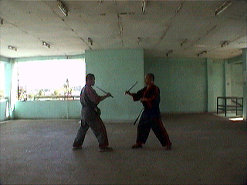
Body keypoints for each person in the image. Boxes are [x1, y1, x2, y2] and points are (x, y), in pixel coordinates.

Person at [125, 73, 172, 150]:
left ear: (151, 79)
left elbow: (155, 98)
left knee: (158, 128)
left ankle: (167, 143)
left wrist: (146, 99)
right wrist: (129, 93)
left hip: (154, 111)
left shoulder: (155, 88)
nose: (145, 80)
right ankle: (139, 143)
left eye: (146, 78)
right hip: (146, 111)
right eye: (145, 78)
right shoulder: (145, 89)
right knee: (141, 127)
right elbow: (138, 95)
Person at [73, 73, 113, 152]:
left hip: (84, 112)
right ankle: (103, 146)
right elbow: (96, 99)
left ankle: (76, 144)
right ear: (89, 80)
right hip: (90, 112)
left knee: (83, 129)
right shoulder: (89, 89)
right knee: (100, 128)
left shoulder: (83, 89)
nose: (94, 81)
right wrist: (106, 96)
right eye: (93, 79)